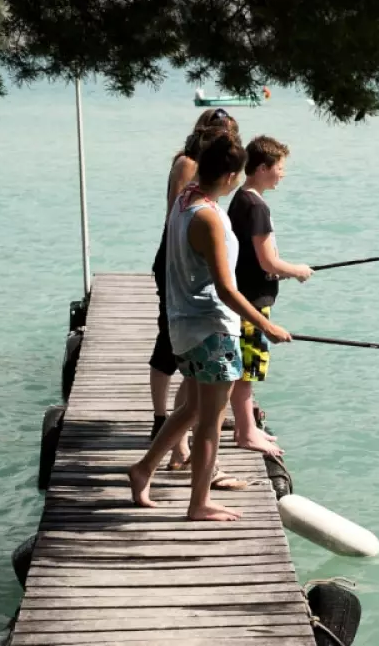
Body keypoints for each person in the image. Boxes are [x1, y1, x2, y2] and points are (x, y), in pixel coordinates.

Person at [129, 133, 291, 521]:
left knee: (190, 409)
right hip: (212, 329)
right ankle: (198, 503)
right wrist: (265, 326)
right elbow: (226, 288)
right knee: (209, 424)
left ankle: (143, 469)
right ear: (233, 175)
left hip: (184, 326)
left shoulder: (184, 201)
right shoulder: (210, 218)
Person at [148, 109, 238, 461]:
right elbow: (178, 219)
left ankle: (175, 446)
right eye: (223, 136)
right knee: (170, 343)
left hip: (193, 263)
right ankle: (164, 424)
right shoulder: (189, 165)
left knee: (190, 367)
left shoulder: (212, 179)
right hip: (178, 261)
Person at [227, 136, 313, 456]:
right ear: (263, 168)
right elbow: (267, 261)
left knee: (242, 367)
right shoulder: (257, 207)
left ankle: (242, 427)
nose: (283, 174)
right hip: (252, 301)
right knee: (247, 369)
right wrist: (296, 270)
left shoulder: (240, 199)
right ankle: (247, 433)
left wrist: (279, 271)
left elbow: (254, 258)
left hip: (243, 293)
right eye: (280, 167)